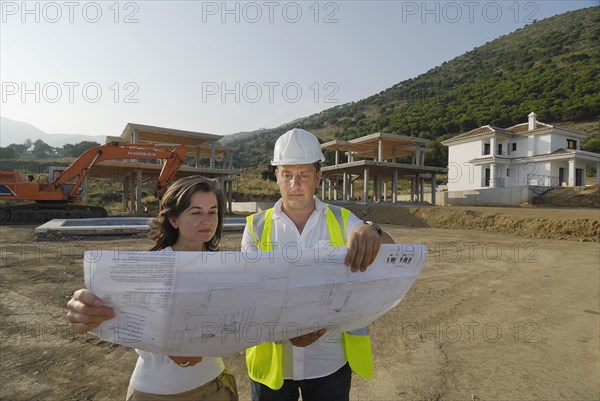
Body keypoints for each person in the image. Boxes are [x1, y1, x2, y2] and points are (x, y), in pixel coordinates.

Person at [242, 128, 395, 401]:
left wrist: (373, 230)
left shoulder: (343, 220)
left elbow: (393, 250)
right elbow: (249, 293)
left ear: (319, 176)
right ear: (276, 175)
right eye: (287, 175)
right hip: (273, 367)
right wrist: (289, 329)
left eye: (303, 175)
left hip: (329, 364)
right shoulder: (255, 227)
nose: (294, 184)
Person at [66, 176, 238, 401]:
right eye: (196, 212)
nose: (207, 220)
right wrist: (85, 310)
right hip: (153, 393)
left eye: (212, 212)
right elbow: (111, 311)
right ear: (174, 219)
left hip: (213, 388)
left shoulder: (230, 268)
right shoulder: (146, 268)